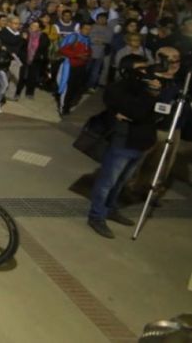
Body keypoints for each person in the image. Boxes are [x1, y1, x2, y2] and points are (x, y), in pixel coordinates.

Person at [87, 55, 160, 239]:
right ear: (128, 70)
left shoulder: (147, 88)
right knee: (107, 182)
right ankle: (96, 215)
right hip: (124, 141)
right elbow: (136, 112)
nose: (146, 72)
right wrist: (150, 96)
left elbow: (156, 114)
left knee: (122, 181)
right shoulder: (117, 89)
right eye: (141, 69)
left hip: (142, 141)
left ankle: (111, 209)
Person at [57, 21, 93, 116]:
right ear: (81, 29)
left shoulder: (88, 39)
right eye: (86, 29)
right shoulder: (74, 37)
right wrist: (77, 55)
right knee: (67, 88)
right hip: (70, 66)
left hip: (81, 67)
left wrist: (86, 57)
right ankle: (63, 108)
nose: (88, 31)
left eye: (90, 29)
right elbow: (62, 49)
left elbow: (88, 53)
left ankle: (67, 106)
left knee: (75, 88)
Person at [21, 21, 50, 99]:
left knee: (32, 76)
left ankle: (29, 92)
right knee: (21, 75)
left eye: (36, 26)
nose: (33, 27)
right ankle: (17, 91)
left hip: (35, 58)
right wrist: (24, 39)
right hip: (24, 57)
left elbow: (44, 47)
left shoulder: (43, 36)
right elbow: (22, 45)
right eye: (32, 25)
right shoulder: (25, 34)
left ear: (39, 28)